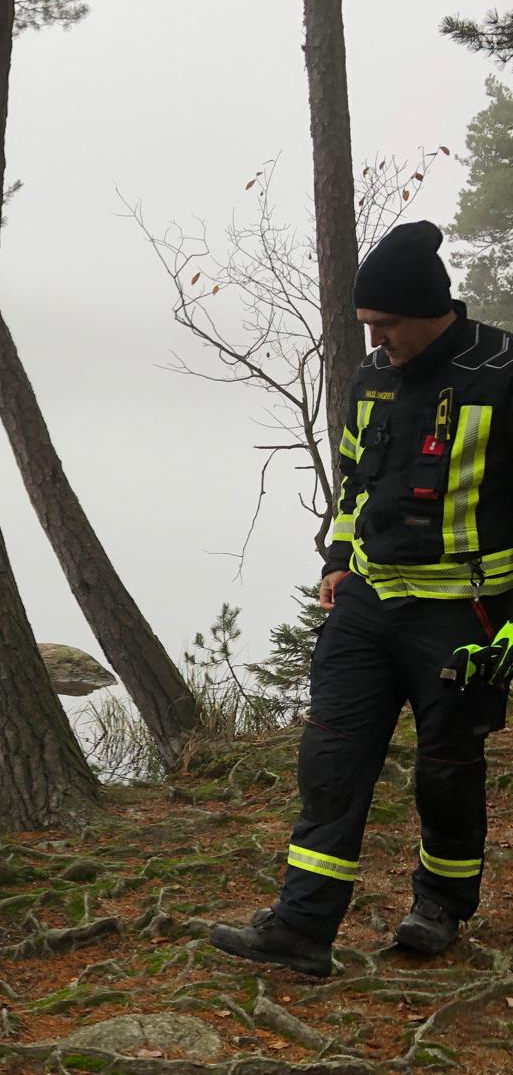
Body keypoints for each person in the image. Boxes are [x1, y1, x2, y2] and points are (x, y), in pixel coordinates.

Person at [211, 221, 513, 978]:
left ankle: (440, 908)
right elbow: (354, 483)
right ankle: (301, 928)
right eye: (368, 324)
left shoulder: (502, 371)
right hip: (367, 608)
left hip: (466, 616)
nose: (375, 339)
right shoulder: (372, 377)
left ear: (431, 310)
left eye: (386, 323)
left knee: (447, 770)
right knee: (331, 763)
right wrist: (340, 559)